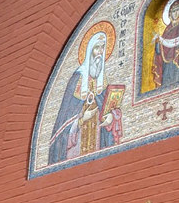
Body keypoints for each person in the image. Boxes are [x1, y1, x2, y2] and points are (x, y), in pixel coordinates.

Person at [48, 30, 123, 164]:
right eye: (97, 48)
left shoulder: (103, 81)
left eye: (102, 48)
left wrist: (111, 116)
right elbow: (63, 123)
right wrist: (82, 120)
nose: (100, 52)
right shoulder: (76, 79)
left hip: (97, 138)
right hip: (78, 142)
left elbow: (107, 107)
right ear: (89, 51)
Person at [152, 0, 179, 89]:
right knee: (166, 82)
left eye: (177, 10)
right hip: (167, 64)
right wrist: (158, 43)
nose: (174, 13)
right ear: (170, 13)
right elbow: (161, 50)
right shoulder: (167, 29)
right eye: (172, 11)